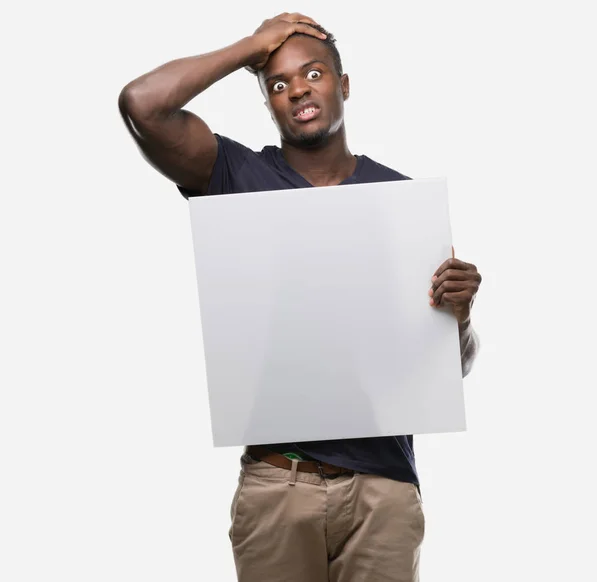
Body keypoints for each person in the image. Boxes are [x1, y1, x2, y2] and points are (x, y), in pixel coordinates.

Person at [119, 12, 482, 582]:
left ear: (344, 84)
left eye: (312, 73)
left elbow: (449, 368)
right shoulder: (236, 176)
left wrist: (458, 317)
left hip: (382, 490)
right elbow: (143, 104)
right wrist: (252, 46)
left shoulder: (400, 202)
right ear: (268, 104)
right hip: (277, 485)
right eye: (279, 85)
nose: (298, 91)